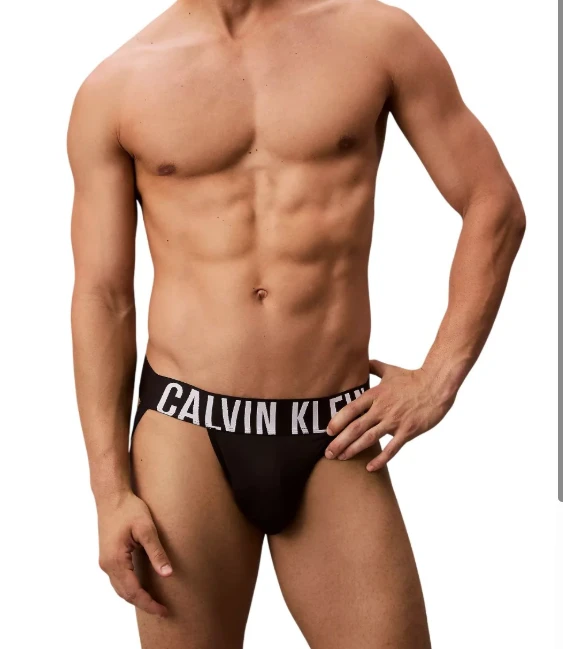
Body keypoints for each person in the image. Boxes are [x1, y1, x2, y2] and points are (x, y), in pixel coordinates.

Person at [68, 0, 525, 646]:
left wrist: (439, 377)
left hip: (333, 429)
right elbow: (103, 295)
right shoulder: (116, 86)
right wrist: (109, 492)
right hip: (186, 432)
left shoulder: (376, 38)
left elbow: (493, 203)